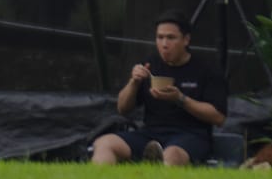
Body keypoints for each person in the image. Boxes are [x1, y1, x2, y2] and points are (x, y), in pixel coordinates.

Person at [89, 10, 227, 166]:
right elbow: (122, 108)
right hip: (150, 133)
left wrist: (180, 99)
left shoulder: (206, 69)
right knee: (104, 143)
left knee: (172, 154)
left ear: (186, 40)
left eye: (171, 38)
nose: (164, 44)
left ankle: (158, 177)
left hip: (191, 135)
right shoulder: (150, 64)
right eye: (160, 37)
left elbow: (219, 117)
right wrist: (134, 82)